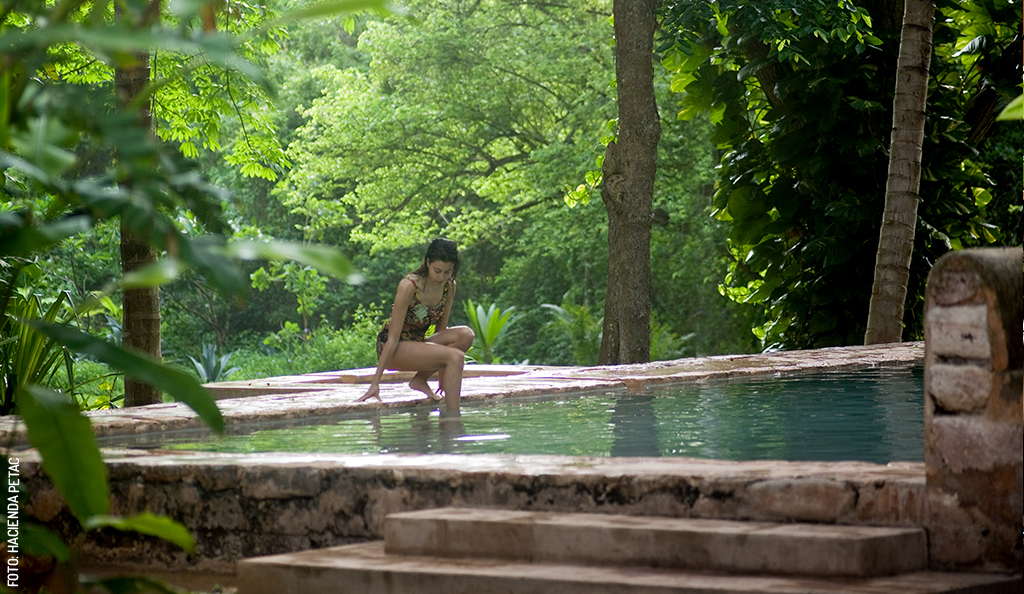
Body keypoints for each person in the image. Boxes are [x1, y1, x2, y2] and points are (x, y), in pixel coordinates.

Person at [357, 238, 474, 412]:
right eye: (437, 271)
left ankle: (420, 380)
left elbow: (441, 330)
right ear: (427, 262)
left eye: (447, 272)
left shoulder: (449, 286)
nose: (441, 277)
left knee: (466, 335)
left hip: (418, 343)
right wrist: (375, 383)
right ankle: (453, 418)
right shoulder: (409, 286)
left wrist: (444, 376)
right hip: (394, 347)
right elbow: (392, 338)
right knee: (456, 357)